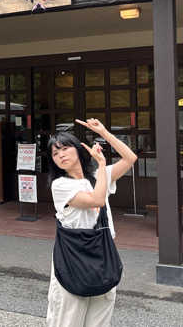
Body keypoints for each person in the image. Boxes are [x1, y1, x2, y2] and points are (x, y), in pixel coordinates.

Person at [46, 118, 137, 327]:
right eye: (55, 153)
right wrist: (103, 164)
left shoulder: (97, 176)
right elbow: (96, 200)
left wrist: (104, 132)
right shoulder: (60, 185)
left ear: (78, 150)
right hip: (73, 256)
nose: (60, 155)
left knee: (99, 319)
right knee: (68, 319)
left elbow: (130, 158)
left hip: (102, 253)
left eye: (65, 149)